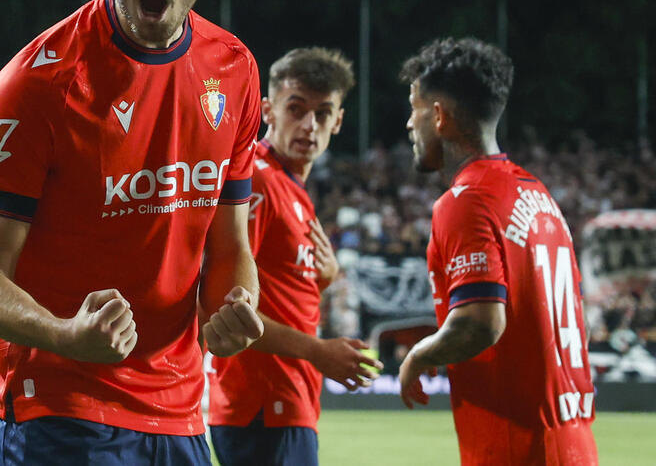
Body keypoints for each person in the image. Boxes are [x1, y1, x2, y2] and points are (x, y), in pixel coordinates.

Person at [0, 0, 264, 466]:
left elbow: (230, 244)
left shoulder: (235, 71)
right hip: (60, 410)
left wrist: (238, 308)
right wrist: (67, 335)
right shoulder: (37, 85)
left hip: (181, 413)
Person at [397, 38, 598, 465]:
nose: (409, 124)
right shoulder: (539, 194)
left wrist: (418, 356)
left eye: (413, 107)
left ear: (437, 116)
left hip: (516, 446)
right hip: (574, 440)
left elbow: (480, 324)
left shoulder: (467, 199)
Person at [208, 46, 382, 466]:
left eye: (323, 113)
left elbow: (277, 287)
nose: (309, 125)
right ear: (268, 110)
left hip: (285, 405)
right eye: (296, 108)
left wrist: (323, 277)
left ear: (338, 121)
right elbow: (225, 306)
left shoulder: (292, 188)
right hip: (262, 408)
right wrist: (319, 352)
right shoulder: (258, 180)